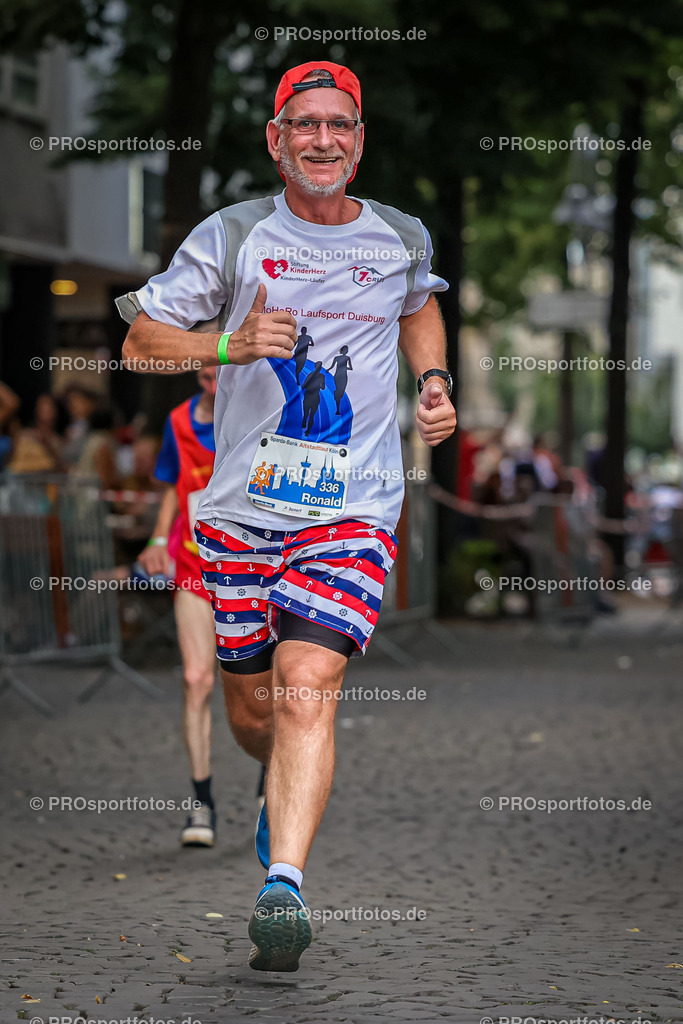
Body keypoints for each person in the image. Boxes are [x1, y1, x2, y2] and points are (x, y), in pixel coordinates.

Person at [117, 60, 456, 972]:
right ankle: (271, 779)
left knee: (308, 680)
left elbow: (419, 307)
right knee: (252, 706)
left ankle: (285, 887)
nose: (322, 140)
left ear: (357, 139)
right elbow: (139, 340)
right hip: (237, 515)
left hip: (352, 506)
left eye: (338, 124)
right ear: (276, 140)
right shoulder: (230, 237)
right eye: (303, 124)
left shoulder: (398, 236)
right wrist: (226, 342)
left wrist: (432, 381)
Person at [136, 368, 222, 847]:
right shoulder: (178, 420)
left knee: (257, 689)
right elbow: (173, 483)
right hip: (191, 560)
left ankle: (267, 785)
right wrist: (156, 539)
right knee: (196, 679)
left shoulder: (255, 413)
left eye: (221, 372)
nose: (212, 380)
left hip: (250, 567)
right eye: (206, 371)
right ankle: (201, 802)